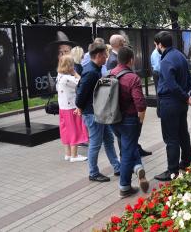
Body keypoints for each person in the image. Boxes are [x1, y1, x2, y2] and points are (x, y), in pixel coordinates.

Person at [75, 40, 121, 182]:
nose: (107, 58)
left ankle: (117, 167)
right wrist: (80, 106)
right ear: (99, 55)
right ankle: (93, 173)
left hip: (98, 112)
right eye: (105, 55)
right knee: (95, 143)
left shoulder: (93, 69)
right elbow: (81, 93)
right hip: (92, 113)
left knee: (108, 139)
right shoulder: (91, 72)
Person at [154, 31, 191, 182]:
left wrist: (186, 96)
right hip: (181, 103)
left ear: (160, 44)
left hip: (170, 103)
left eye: (156, 44)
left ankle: (172, 171)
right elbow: (189, 76)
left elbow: (171, 85)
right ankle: (185, 162)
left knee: (171, 138)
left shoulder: (166, 61)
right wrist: (190, 94)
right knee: (183, 133)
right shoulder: (180, 55)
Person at [110, 46, 149, 197]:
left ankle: (138, 166)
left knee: (127, 145)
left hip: (113, 119)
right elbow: (140, 103)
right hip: (129, 120)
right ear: (131, 60)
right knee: (127, 151)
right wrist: (141, 120)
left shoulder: (109, 74)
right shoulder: (132, 78)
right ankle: (124, 187)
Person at [106, 35, 152, 157]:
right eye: (124, 41)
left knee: (128, 141)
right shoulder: (112, 61)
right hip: (122, 110)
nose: (126, 42)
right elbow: (116, 87)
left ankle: (134, 153)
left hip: (122, 110)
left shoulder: (118, 57)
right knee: (125, 144)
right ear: (120, 43)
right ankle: (127, 157)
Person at [56, 55, 88, 162]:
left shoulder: (59, 76)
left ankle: (68, 154)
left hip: (63, 108)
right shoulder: (68, 78)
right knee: (75, 129)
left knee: (65, 129)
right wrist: (75, 73)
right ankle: (74, 156)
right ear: (70, 65)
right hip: (71, 107)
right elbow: (82, 82)